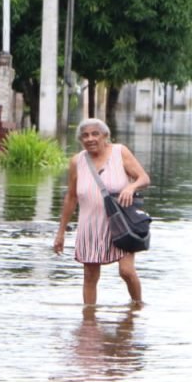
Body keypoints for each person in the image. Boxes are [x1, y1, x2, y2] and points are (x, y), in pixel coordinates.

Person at [54, 118, 150, 307]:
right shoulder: (77, 161)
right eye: (85, 135)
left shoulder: (119, 152)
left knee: (126, 271)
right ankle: (89, 321)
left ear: (105, 136)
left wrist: (131, 188)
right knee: (90, 275)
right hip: (90, 225)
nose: (90, 139)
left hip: (121, 223)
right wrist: (61, 232)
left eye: (95, 134)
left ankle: (137, 308)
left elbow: (144, 178)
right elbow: (71, 197)